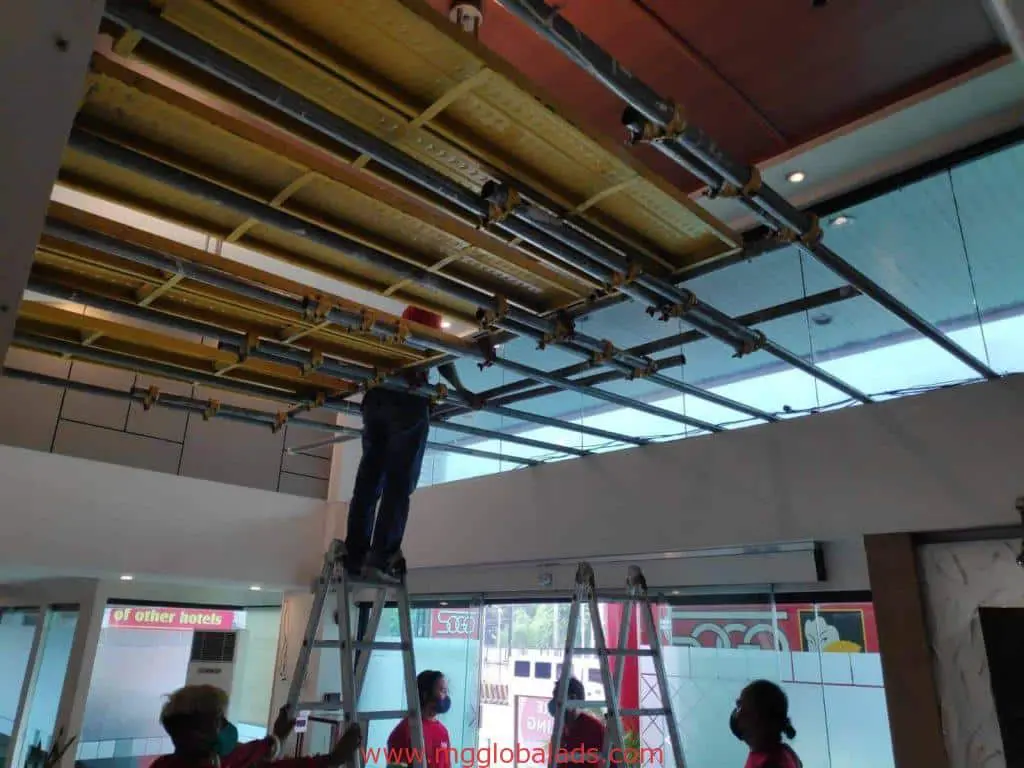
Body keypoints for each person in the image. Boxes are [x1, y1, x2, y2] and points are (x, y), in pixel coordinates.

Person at [345, 305, 477, 579]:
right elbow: (442, 358)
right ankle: (380, 557)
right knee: (398, 483)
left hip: (376, 401)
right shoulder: (428, 317)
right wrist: (462, 391)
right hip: (406, 401)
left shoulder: (393, 328)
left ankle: (355, 555)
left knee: (369, 483)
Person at [151, 684, 361, 768]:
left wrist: (276, 738)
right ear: (197, 733)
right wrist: (333, 759)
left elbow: (248, 754)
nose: (227, 725)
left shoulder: (164, 764)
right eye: (218, 720)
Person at [729, 680, 803, 768]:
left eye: (740, 707)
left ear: (758, 720)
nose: (737, 713)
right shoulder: (785, 752)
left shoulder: (771, 763)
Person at [387, 670, 452, 768]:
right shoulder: (405, 730)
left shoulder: (443, 732)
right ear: (425, 694)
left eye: (446, 691)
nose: (446, 697)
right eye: (442, 691)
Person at [546, 677, 610, 766]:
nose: (553, 702)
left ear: (572, 699)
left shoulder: (593, 729)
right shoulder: (560, 731)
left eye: (557, 697)